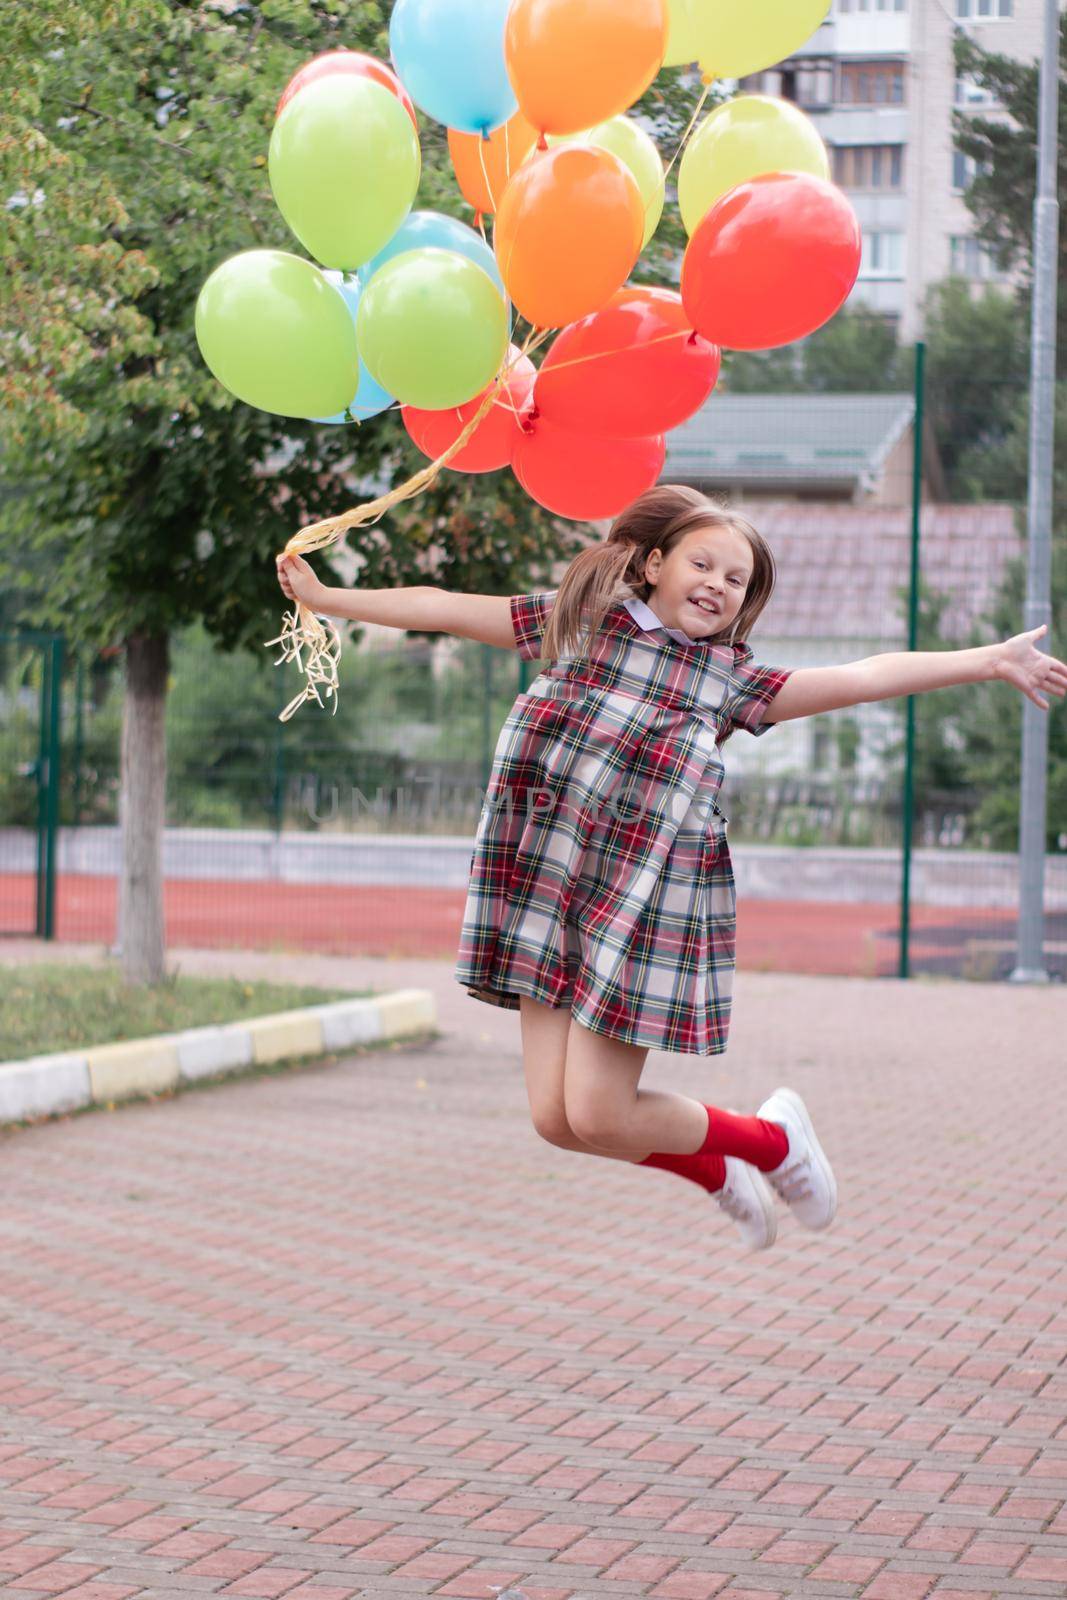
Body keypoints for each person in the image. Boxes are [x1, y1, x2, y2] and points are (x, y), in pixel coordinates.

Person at [277, 483, 1065, 1251]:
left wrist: (987, 661)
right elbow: (445, 606)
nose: (719, 586)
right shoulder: (577, 627)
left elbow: (861, 676)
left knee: (601, 1113)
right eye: (703, 565)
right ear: (652, 564)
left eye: (737, 580)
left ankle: (770, 1139)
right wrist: (333, 598)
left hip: (638, 905)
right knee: (557, 1122)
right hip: (545, 891)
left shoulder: (731, 683)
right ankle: (717, 1171)